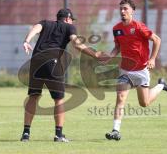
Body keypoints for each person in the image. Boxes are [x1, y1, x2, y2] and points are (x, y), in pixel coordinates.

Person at [20, 8, 106, 142]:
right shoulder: (69, 27)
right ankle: (58, 135)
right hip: (52, 62)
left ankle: (26, 134)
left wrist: (26, 41)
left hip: (36, 60)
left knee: (33, 96)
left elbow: (36, 27)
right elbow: (76, 44)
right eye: (71, 20)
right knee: (58, 99)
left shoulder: (46, 23)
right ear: (67, 19)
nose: (72, 22)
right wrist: (94, 54)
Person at [102, 0, 167, 141]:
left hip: (141, 70)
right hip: (125, 71)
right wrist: (110, 57)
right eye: (121, 8)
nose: (122, 11)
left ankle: (161, 85)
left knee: (144, 103)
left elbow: (157, 40)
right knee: (120, 98)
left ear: (132, 11)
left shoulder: (139, 27)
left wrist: (152, 59)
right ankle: (116, 130)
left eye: (125, 9)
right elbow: (117, 47)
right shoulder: (116, 29)